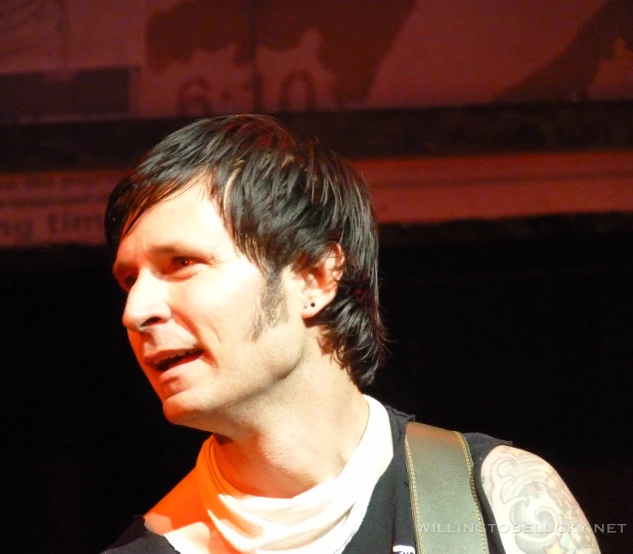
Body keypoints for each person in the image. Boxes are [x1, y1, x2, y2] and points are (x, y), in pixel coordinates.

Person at [102, 114, 599, 554]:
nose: (135, 311)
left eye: (182, 263)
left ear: (314, 277)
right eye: (129, 280)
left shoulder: (496, 496)